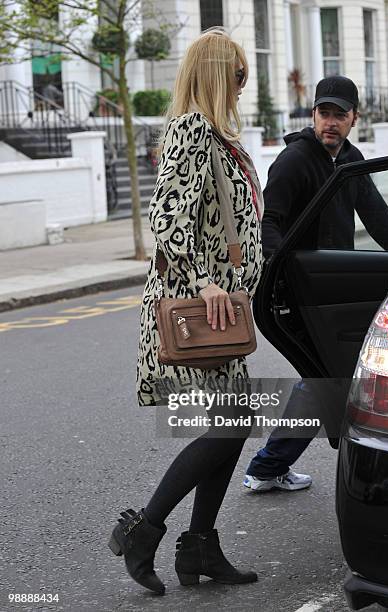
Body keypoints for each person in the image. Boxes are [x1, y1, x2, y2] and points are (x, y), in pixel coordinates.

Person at [108, 29, 263, 595]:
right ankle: (144, 531)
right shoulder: (190, 131)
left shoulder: (217, 137)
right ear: (219, 76)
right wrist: (205, 282)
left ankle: (198, 548)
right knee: (231, 425)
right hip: (199, 308)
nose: (244, 88)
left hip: (222, 310)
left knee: (233, 424)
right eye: (239, 77)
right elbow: (166, 218)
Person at [244, 75, 388, 493]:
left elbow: (381, 222)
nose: (329, 123)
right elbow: (270, 222)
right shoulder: (296, 160)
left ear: (355, 118)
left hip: (329, 289)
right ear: (313, 115)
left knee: (327, 376)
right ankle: (268, 467)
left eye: (339, 115)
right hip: (300, 289)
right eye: (323, 113)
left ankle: (269, 467)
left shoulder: (350, 161)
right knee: (326, 378)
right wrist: (282, 277)